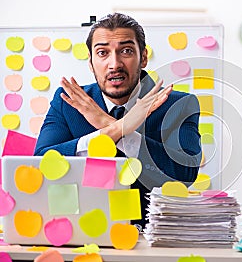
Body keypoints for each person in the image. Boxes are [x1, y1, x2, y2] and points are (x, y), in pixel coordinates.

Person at [34, 12, 202, 229]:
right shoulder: (68, 102)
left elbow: (184, 173)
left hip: (152, 236)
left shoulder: (178, 104)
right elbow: (40, 162)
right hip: (82, 231)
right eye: (102, 53)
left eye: (126, 51)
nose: (114, 64)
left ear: (143, 58)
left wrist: (106, 123)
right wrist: (117, 129)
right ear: (91, 63)